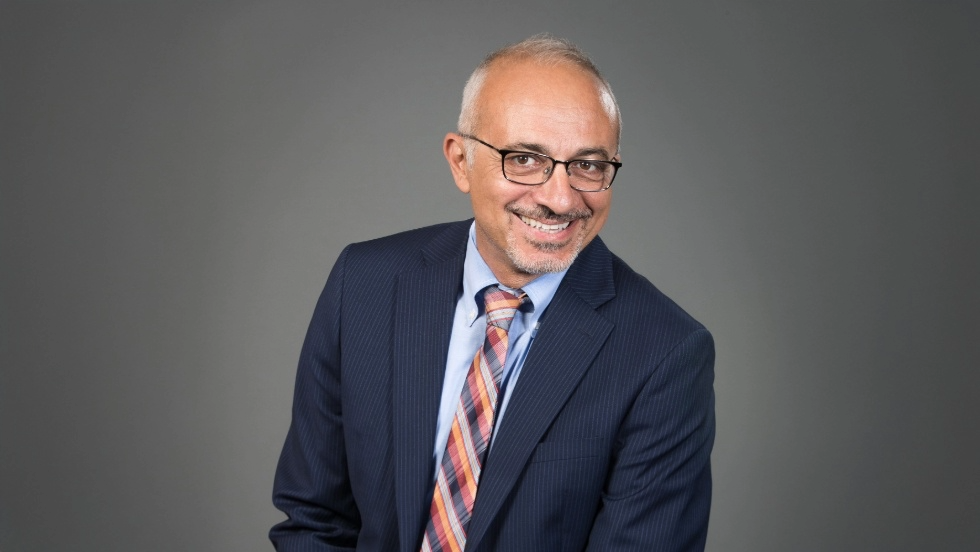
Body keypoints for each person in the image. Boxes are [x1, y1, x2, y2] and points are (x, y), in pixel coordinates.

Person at [270, 34, 715, 552]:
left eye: (589, 166)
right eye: (525, 158)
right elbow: (313, 518)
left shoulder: (665, 352)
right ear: (461, 162)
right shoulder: (365, 284)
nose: (559, 197)